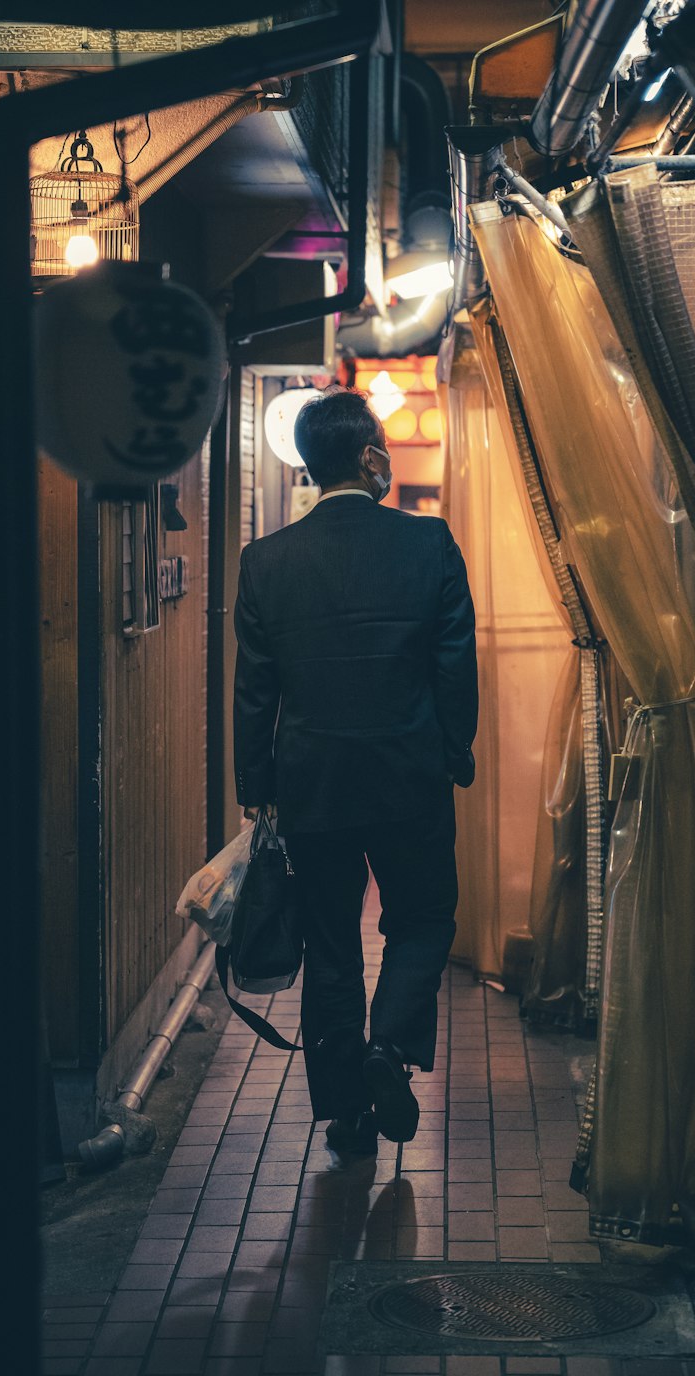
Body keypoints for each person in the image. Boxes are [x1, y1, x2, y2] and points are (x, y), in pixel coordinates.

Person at [232, 386, 477, 1160]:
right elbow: (454, 670)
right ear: (371, 456)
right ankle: (389, 1048)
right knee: (425, 916)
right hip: (409, 778)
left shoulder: (265, 562)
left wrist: (257, 789)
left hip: (314, 788)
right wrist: (452, 753)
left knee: (331, 943)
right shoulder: (429, 544)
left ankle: (346, 1113)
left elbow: (253, 692)